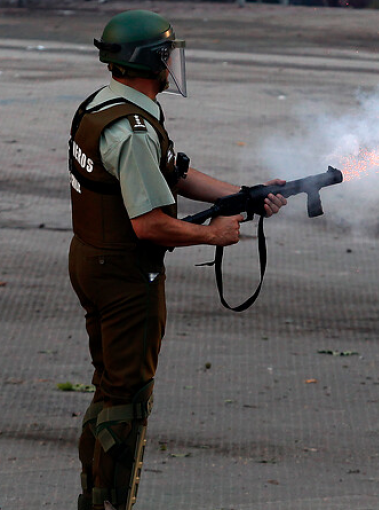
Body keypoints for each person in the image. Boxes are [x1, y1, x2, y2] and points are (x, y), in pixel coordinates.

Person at [67, 10, 287, 510]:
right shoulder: (135, 129)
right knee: (127, 402)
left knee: (110, 389)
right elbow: (149, 224)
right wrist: (211, 235)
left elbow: (174, 171)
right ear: (149, 60)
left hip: (92, 260)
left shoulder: (105, 106)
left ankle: (95, 497)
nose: (171, 64)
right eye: (166, 55)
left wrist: (244, 194)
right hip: (124, 276)